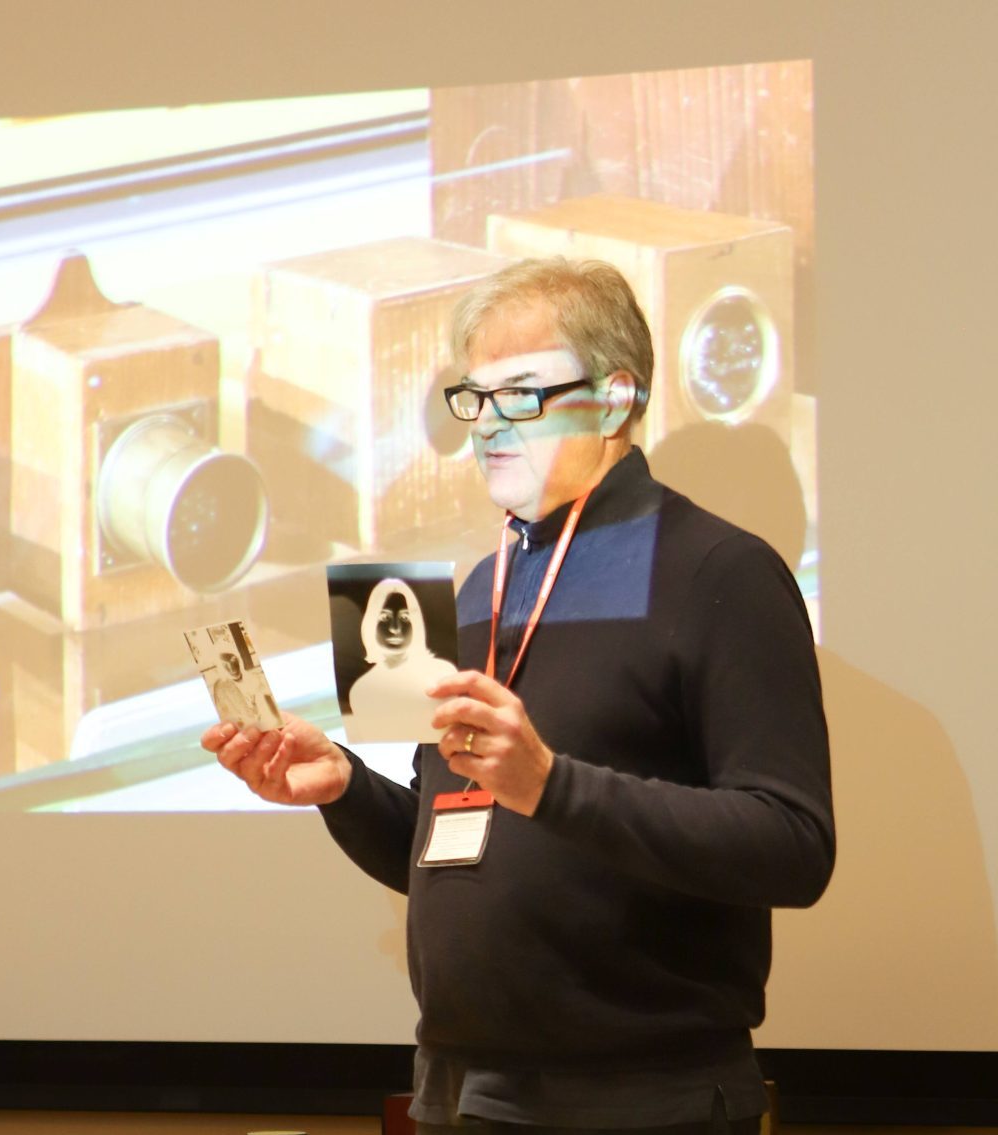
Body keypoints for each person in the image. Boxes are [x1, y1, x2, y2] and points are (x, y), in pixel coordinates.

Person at [203, 257, 834, 1134]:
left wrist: (552, 783)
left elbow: (792, 845)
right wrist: (343, 787)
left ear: (616, 401)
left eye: (523, 395)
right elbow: (456, 845)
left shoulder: (718, 572)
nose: (489, 427)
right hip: (459, 1085)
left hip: (635, 1098)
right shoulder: (480, 589)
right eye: (475, 397)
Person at [345, 576, 457, 742]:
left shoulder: (443, 673)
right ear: (371, 622)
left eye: (405, 618)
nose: (395, 629)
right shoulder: (361, 690)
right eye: (385, 618)